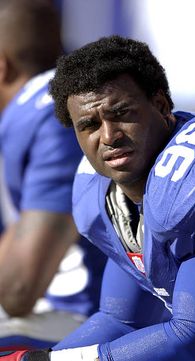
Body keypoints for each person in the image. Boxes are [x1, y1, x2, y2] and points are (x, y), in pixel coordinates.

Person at [2, 35, 195, 360]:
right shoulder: (102, 194)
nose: (109, 137)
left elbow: (192, 340)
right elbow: (122, 322)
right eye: (90, 125)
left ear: (161, 106)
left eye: (122, 113)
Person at [0, 0, 106, 350]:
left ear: (2, 66)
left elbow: (19, 289)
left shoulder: (51, 115)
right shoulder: (60, 97)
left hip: (97, 316)